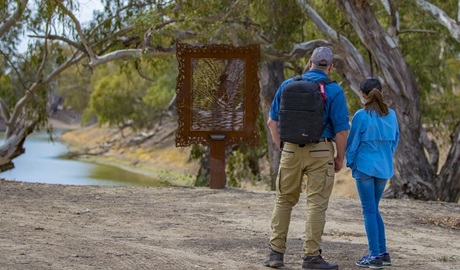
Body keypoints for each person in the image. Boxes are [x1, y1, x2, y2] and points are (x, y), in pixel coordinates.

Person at [263, 46, 350, 270]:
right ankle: (311, 257)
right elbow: (341, 131)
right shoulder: (334, 91)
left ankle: (275, 254)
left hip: (290, 149)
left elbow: (272, 122)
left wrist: (283, 146)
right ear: (330, 67)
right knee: (316, 204)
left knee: (283, 200)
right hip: (321, 151)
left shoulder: (287, 85)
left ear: (310, 62)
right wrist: (340, 157)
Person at [345, 78, 399, 269]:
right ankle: (383, 253)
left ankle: (375, 256)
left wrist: (351, 163)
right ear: (381, 93)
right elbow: (394, 142)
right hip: (384, 168)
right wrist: (385, 157)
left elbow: (352, 144)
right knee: (374, 210)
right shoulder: (391, 115)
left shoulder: (361, 115)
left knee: (369, 211)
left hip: (365, 168)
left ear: (363, 94)